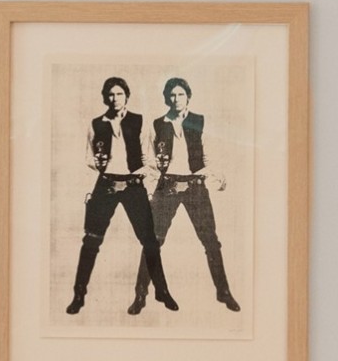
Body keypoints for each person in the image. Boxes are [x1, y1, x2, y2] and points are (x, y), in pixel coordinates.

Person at [130, 77, 241, 314]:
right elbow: (148, 158)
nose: (176, 99)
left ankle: (223, 293)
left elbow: (208, 155)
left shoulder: (199, 121)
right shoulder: (158, 124)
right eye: (172, 95)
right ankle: (140, 295)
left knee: (210, 240)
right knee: (153, 241)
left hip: (195, 185)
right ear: (166, 98)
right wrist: (151, 186)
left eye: (180, 94)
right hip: (167, 184)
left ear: (188, 97)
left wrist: (213, 177)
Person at [67, 78, 177, 315]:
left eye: (119, 94)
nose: (115, 98)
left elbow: (148, 157)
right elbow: (88, 158)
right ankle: (78, 295)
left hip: (133, 184)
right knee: (91, 241)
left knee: (149, 240)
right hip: (105, 185)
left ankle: (162, 290)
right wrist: (95, 181)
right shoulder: (97, 123)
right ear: (105, 97)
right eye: (110, 94)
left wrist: (145, 183)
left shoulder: (139, 121)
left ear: (127, 96)